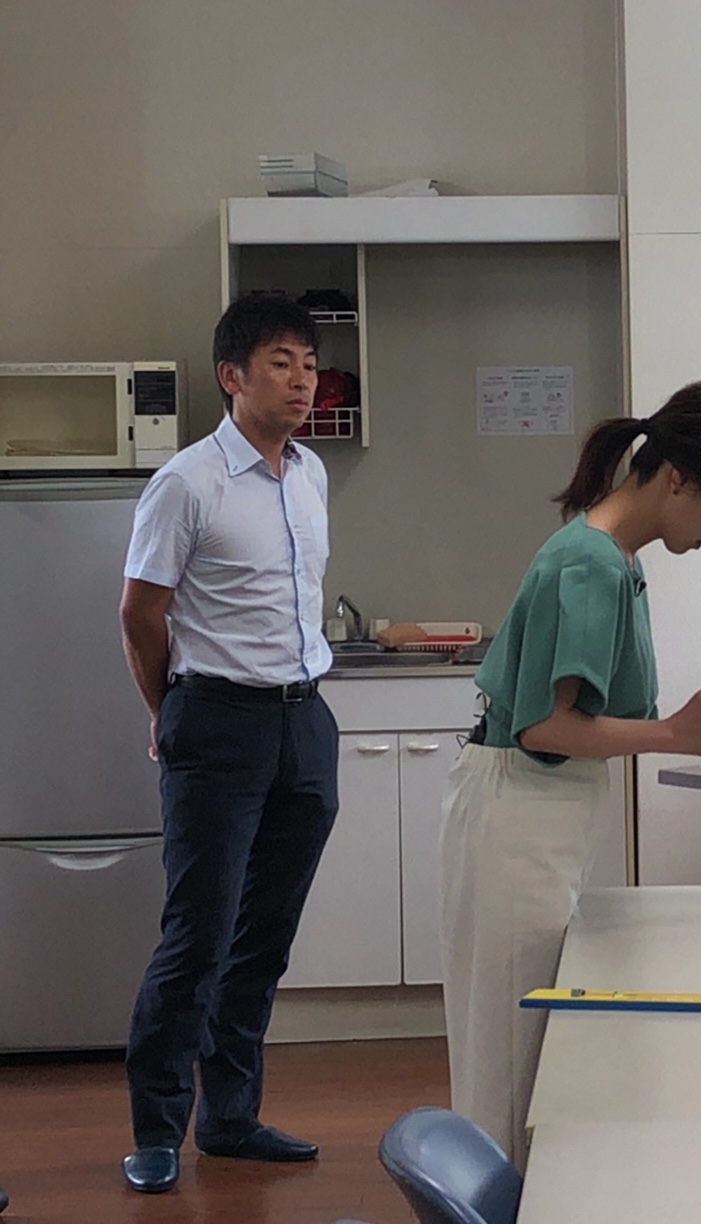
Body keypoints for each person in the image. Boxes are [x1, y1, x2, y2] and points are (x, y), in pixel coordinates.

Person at [441, 380, 701, 1160]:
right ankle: (494, 1204)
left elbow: (582, 721)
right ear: (679, 479)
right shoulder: (590, 562)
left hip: (537, 815)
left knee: (528, 1052)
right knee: (509, 1060)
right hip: (516, 816)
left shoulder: (614, 558)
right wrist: (675, 732)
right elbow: (545, 726)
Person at [119, 297, 339, 1194]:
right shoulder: (187, 482)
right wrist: (166, 710)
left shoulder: (310, 473)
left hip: (304, 722)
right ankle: (157, 1131)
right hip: (217, 721)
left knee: (264, 938)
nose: (302, 380)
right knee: (198, 936)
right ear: (233, 376)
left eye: (310, 364)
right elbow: (141, 612)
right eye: (282, 362)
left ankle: (232, 1118)